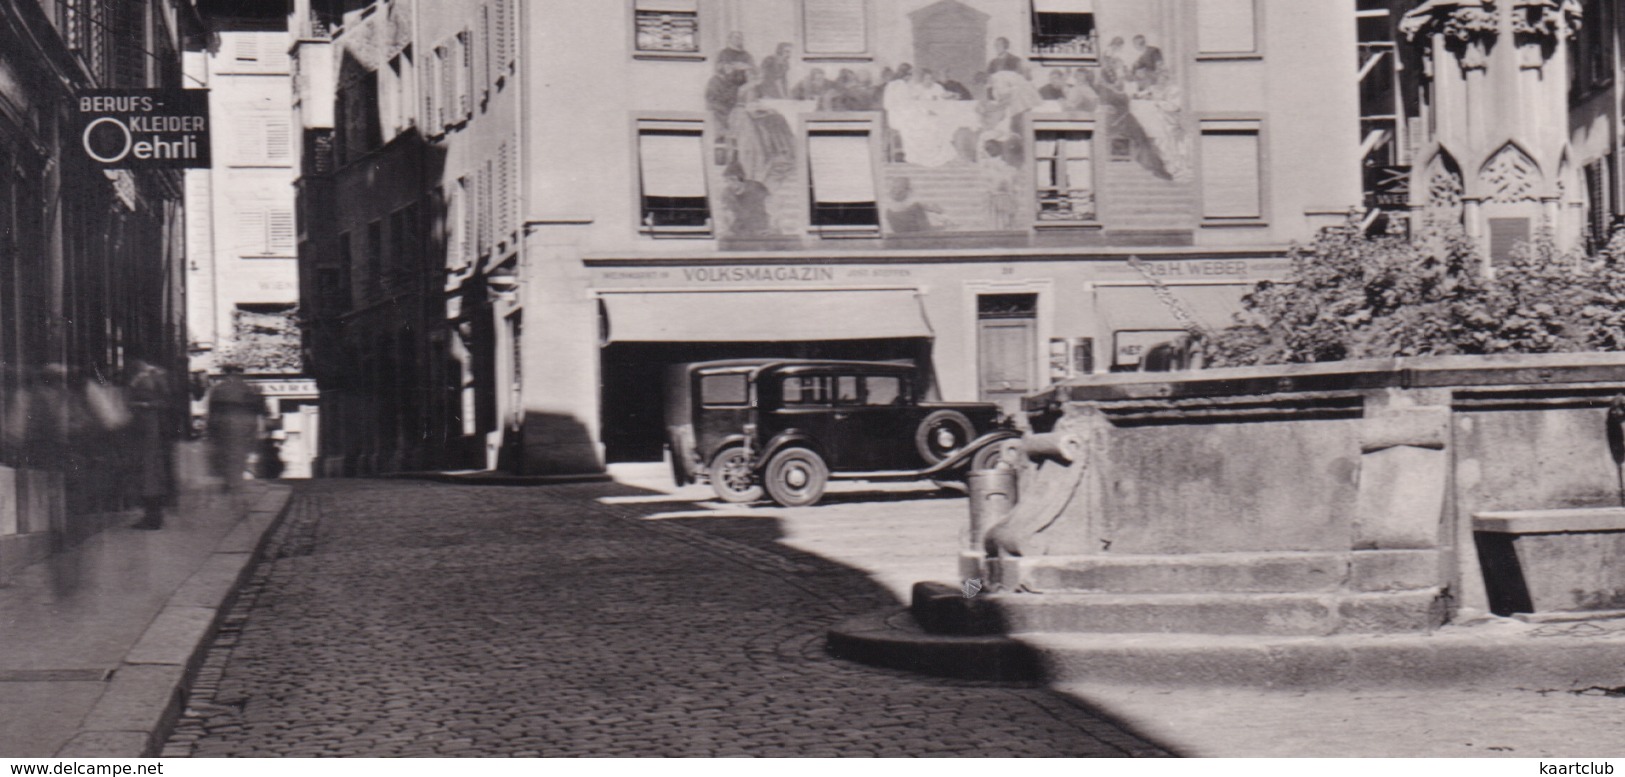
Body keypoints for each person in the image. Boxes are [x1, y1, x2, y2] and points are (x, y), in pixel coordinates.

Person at [125, 360, 173, 530]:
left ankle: (152, 516)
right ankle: (152, 515)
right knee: (149, 473)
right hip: (145, 430)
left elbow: (162, 401)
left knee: (149, 473)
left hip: (147, 430)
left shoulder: (149, 379)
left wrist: (142, 405)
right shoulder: (151, 377)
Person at [207, 366, 265, 492]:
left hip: (224, 426)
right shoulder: (247, 389)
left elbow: (213, 413)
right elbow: (257, 411)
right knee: (239, 455)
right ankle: (235, 481)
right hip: (242, 426)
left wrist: (211, 431)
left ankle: (229, 482)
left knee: (226, 455)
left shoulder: (217, 389)